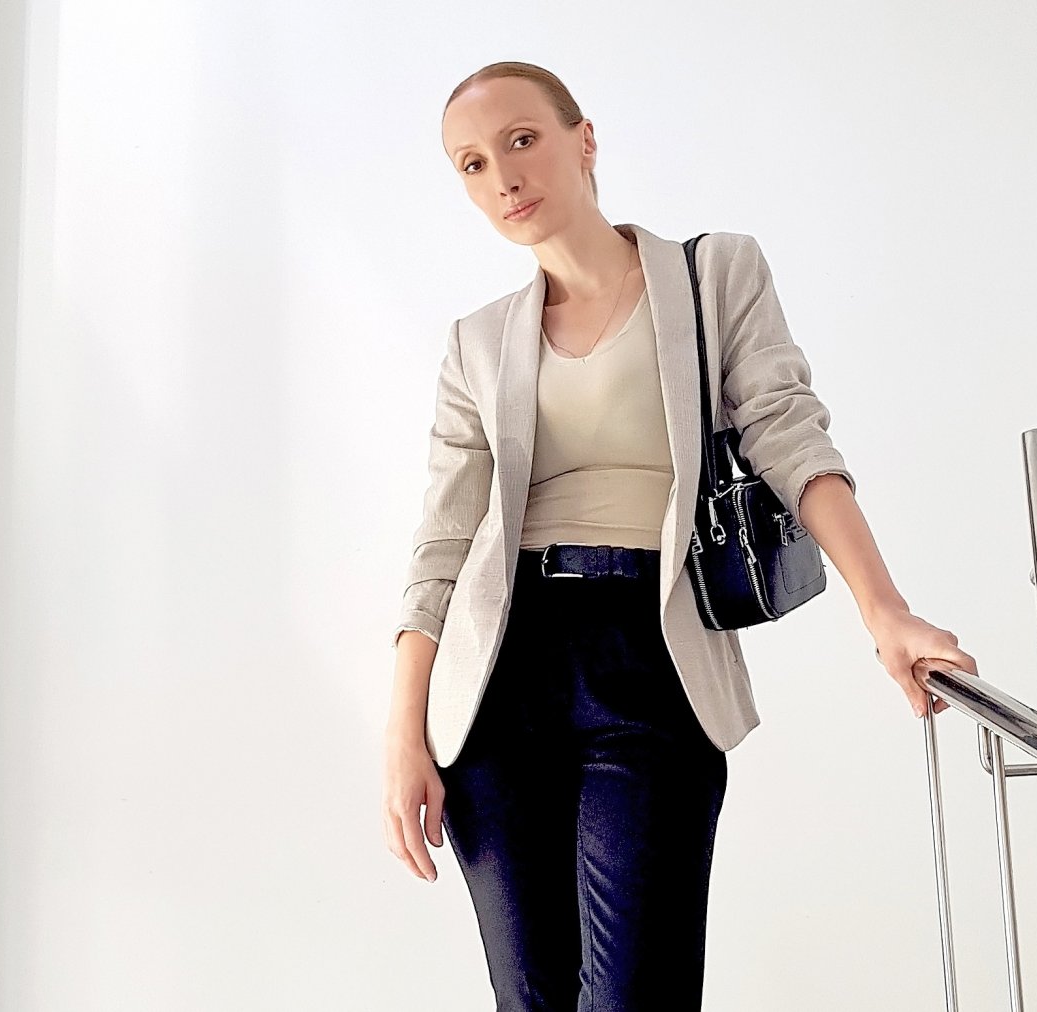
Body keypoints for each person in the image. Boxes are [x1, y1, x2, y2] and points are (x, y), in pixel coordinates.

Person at [382, 60, 980, 1011]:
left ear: (584, 139)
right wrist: (403, 736)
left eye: (522, 140)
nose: (503, 177)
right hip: (496, 678)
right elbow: (442, 547)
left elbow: (791, 439)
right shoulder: (478, 343)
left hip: (651, 654)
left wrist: (886, 612)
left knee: (637, 995)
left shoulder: (713, 275)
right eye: (472, 163)